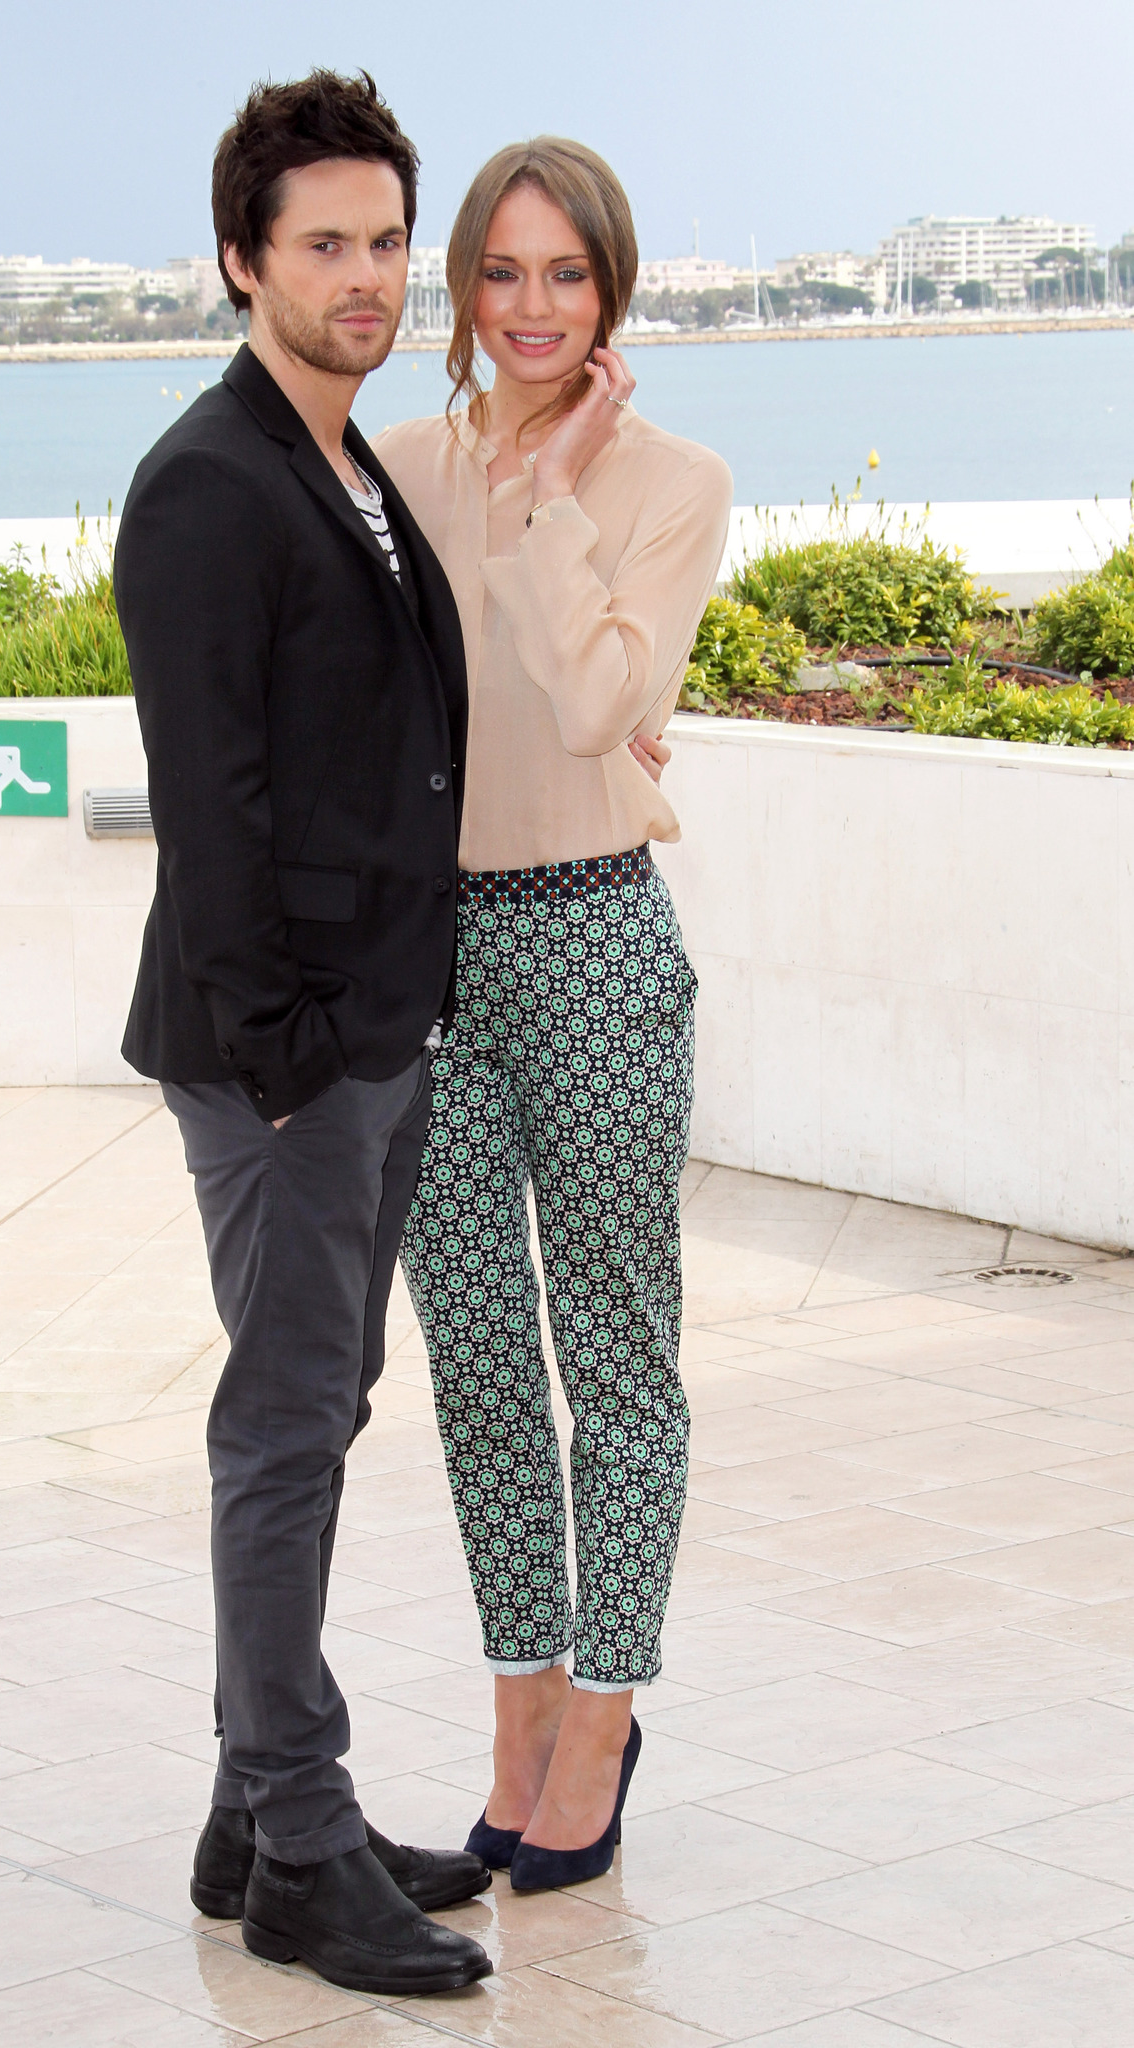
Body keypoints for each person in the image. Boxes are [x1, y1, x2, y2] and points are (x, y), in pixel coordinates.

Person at [113, 71, 493, 1994]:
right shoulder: (208, 482)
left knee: (315, 1409)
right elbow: (215, 806)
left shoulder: (346, 464)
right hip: (287, 1052)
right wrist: (293, 1058)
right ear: (241, 263)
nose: (366, 276)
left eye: (382, 241)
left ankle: (251, 1809)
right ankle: (301, 1838)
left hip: (364, 1028)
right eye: (324, 244)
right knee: (285, 1426)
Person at [375, 137, 732, 1892]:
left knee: (615, 1351)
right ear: (460, 288)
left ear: (612, 291)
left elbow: (597, 705)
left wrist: (550, 493)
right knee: (478, 1360)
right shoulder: (394, 463)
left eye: (564, 277)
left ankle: (604, 1708)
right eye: (500, 275)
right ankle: (517, 1699)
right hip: (427, 954)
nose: (530, 310)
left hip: (591, 938)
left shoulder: (671, 480)